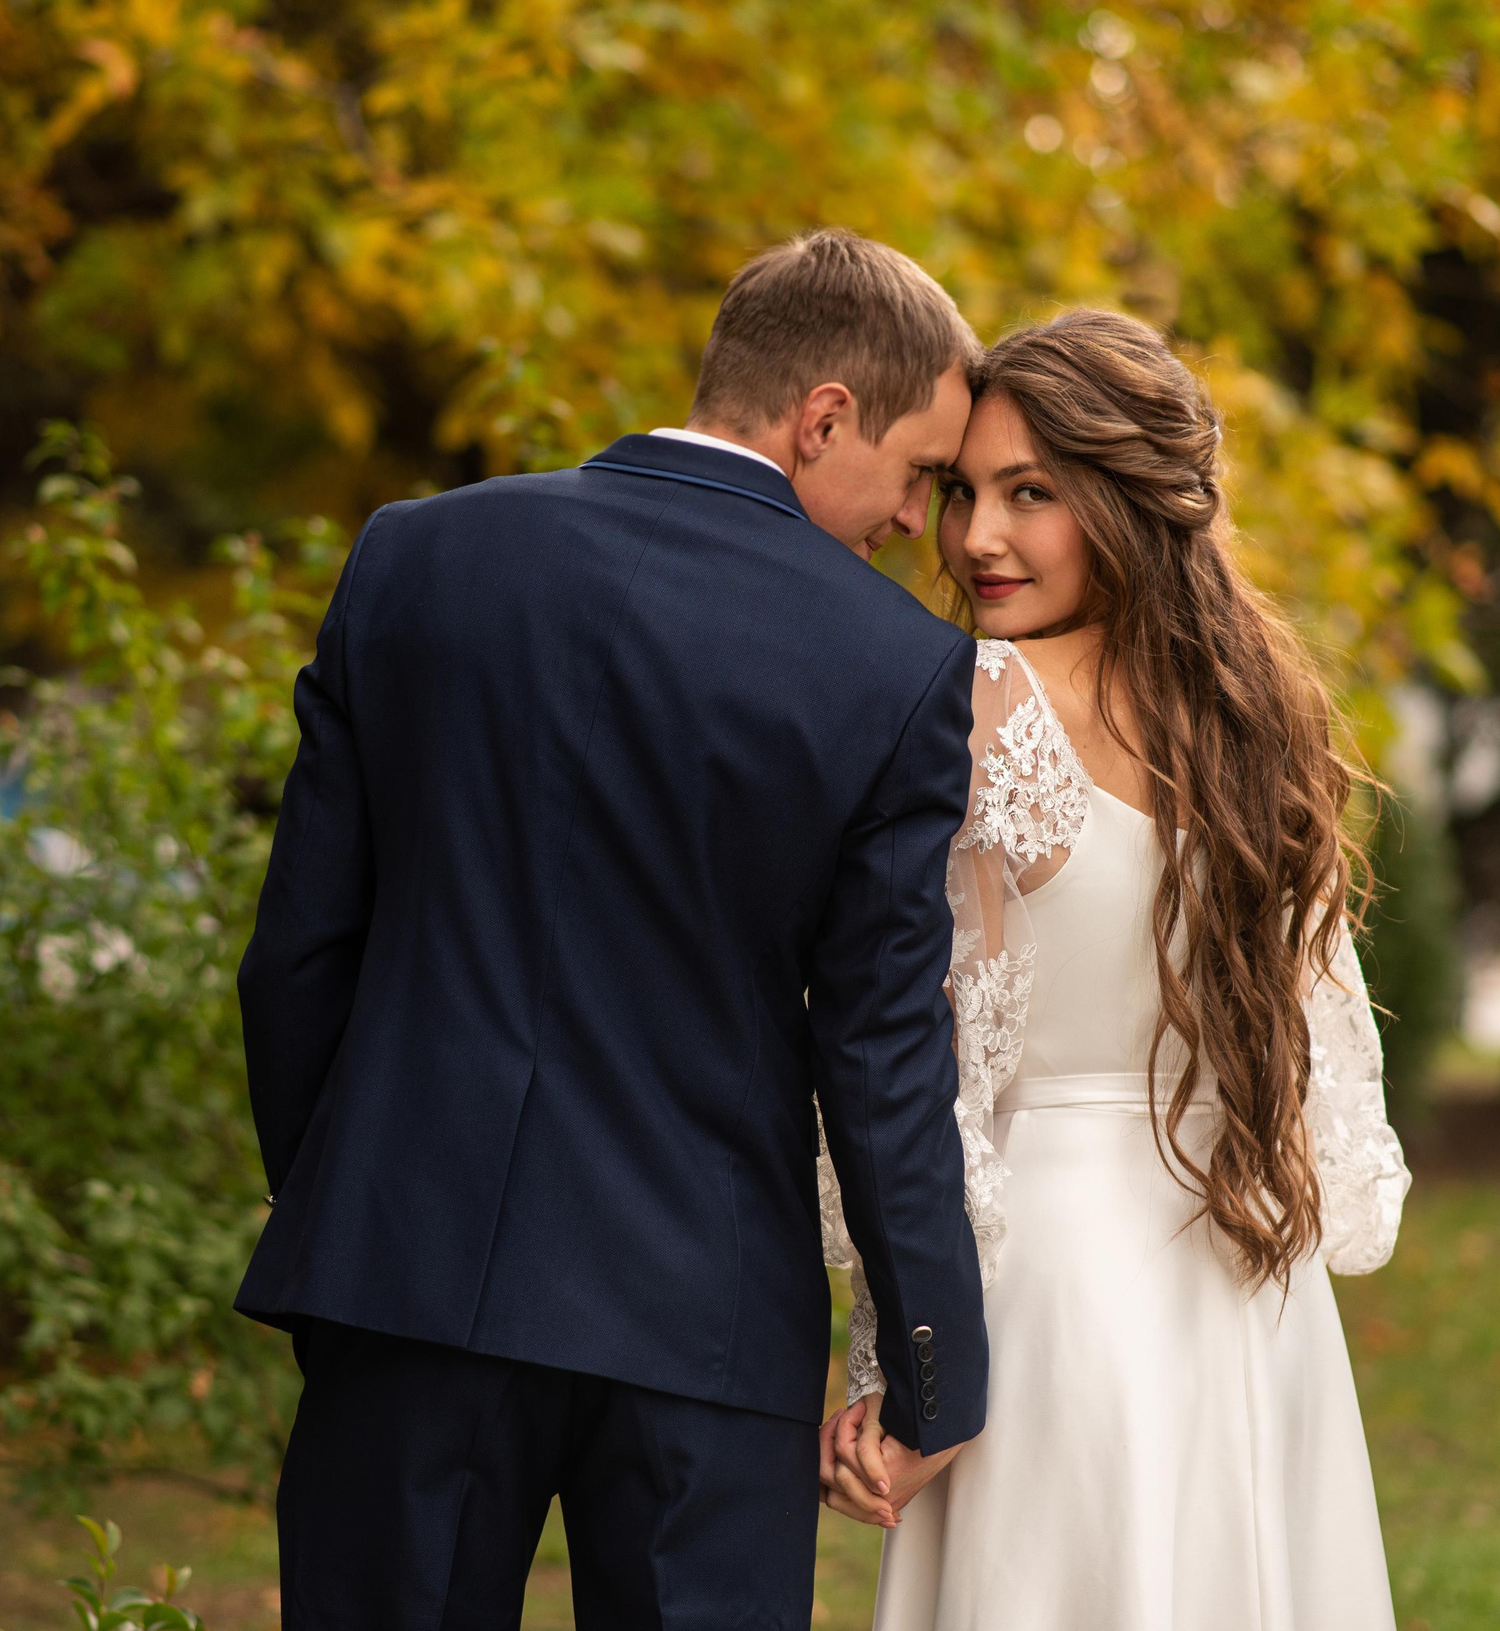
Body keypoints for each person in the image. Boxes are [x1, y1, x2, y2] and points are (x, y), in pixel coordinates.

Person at [234, 229, 993, 1629]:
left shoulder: (411, 559)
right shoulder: (894, 669)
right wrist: (935, 1364)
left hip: (406, 1273)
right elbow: (882, 1052)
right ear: (824, 416)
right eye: (920, 474)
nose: (915, 519)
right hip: (702, 1324)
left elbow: (296, 957)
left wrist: (358, 1199)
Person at [816, 308, 1413, 1629]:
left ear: (1128, 499)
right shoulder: (1261, 720)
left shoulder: (973, 708)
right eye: (964, 490)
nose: (976, 537)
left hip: (1055, 1289)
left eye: (1031, 494)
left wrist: (898, 1373)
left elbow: (927, 1072)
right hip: (1249, 1282)